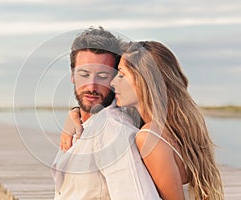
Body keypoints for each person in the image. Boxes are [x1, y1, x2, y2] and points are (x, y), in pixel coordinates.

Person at [51, 27, 160, 199]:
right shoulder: (85, 123)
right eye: (84, 74)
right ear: (72, 76)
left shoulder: (114, 130)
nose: (91, 87)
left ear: (115, 79)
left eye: (102, 76)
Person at [109, 41, 224, 199]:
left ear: (145, 80)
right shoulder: (176, 128)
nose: (113, 82)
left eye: (122, 75)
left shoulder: (150, 137)